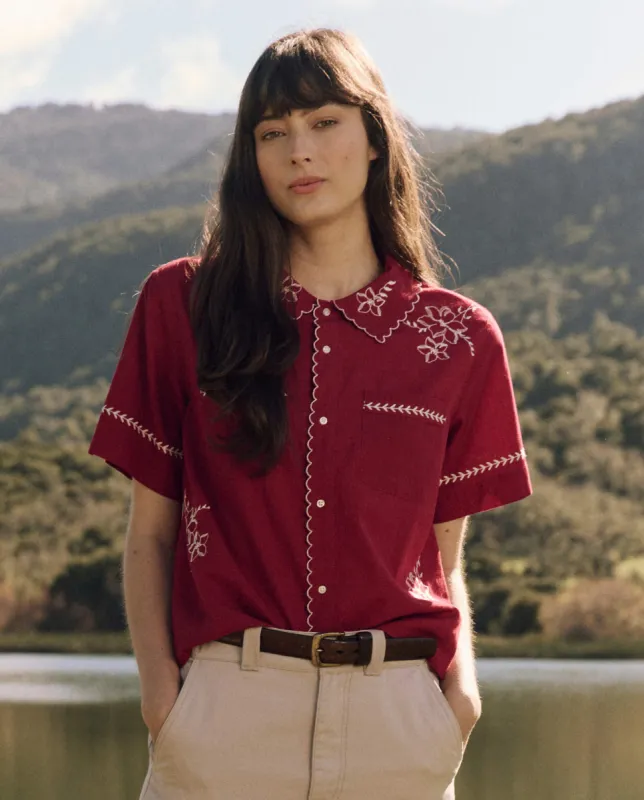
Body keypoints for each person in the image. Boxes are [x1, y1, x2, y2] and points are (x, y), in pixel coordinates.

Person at [88, 27, 532, 800]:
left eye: (324, 122)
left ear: (373, 138)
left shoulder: (458, 338)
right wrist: (164, 699)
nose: (299, 151)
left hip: (399, 726)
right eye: (272, 132)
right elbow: (150, 537)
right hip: (224, 720)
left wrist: (457, 698)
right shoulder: (185, 305)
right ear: (250, 158)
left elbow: (441, 556)